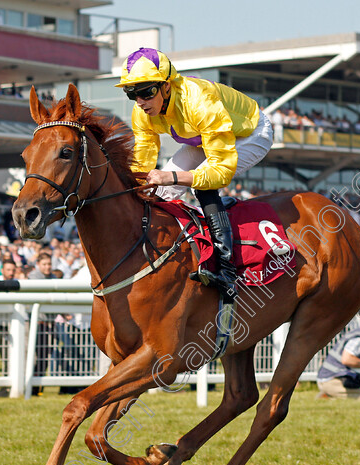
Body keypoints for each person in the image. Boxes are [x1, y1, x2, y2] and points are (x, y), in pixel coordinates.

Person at [117, 47, 274, 300]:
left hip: (251, 134)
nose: (140, 101)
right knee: (158, 191)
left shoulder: (199, 100)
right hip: (203, 139)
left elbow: (219, 171)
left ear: (167, 86)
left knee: (201, 182)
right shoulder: (142, 111)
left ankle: (226, 268)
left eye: (146, 91)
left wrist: (172, 177)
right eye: (131, 93)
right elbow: (143, 163)